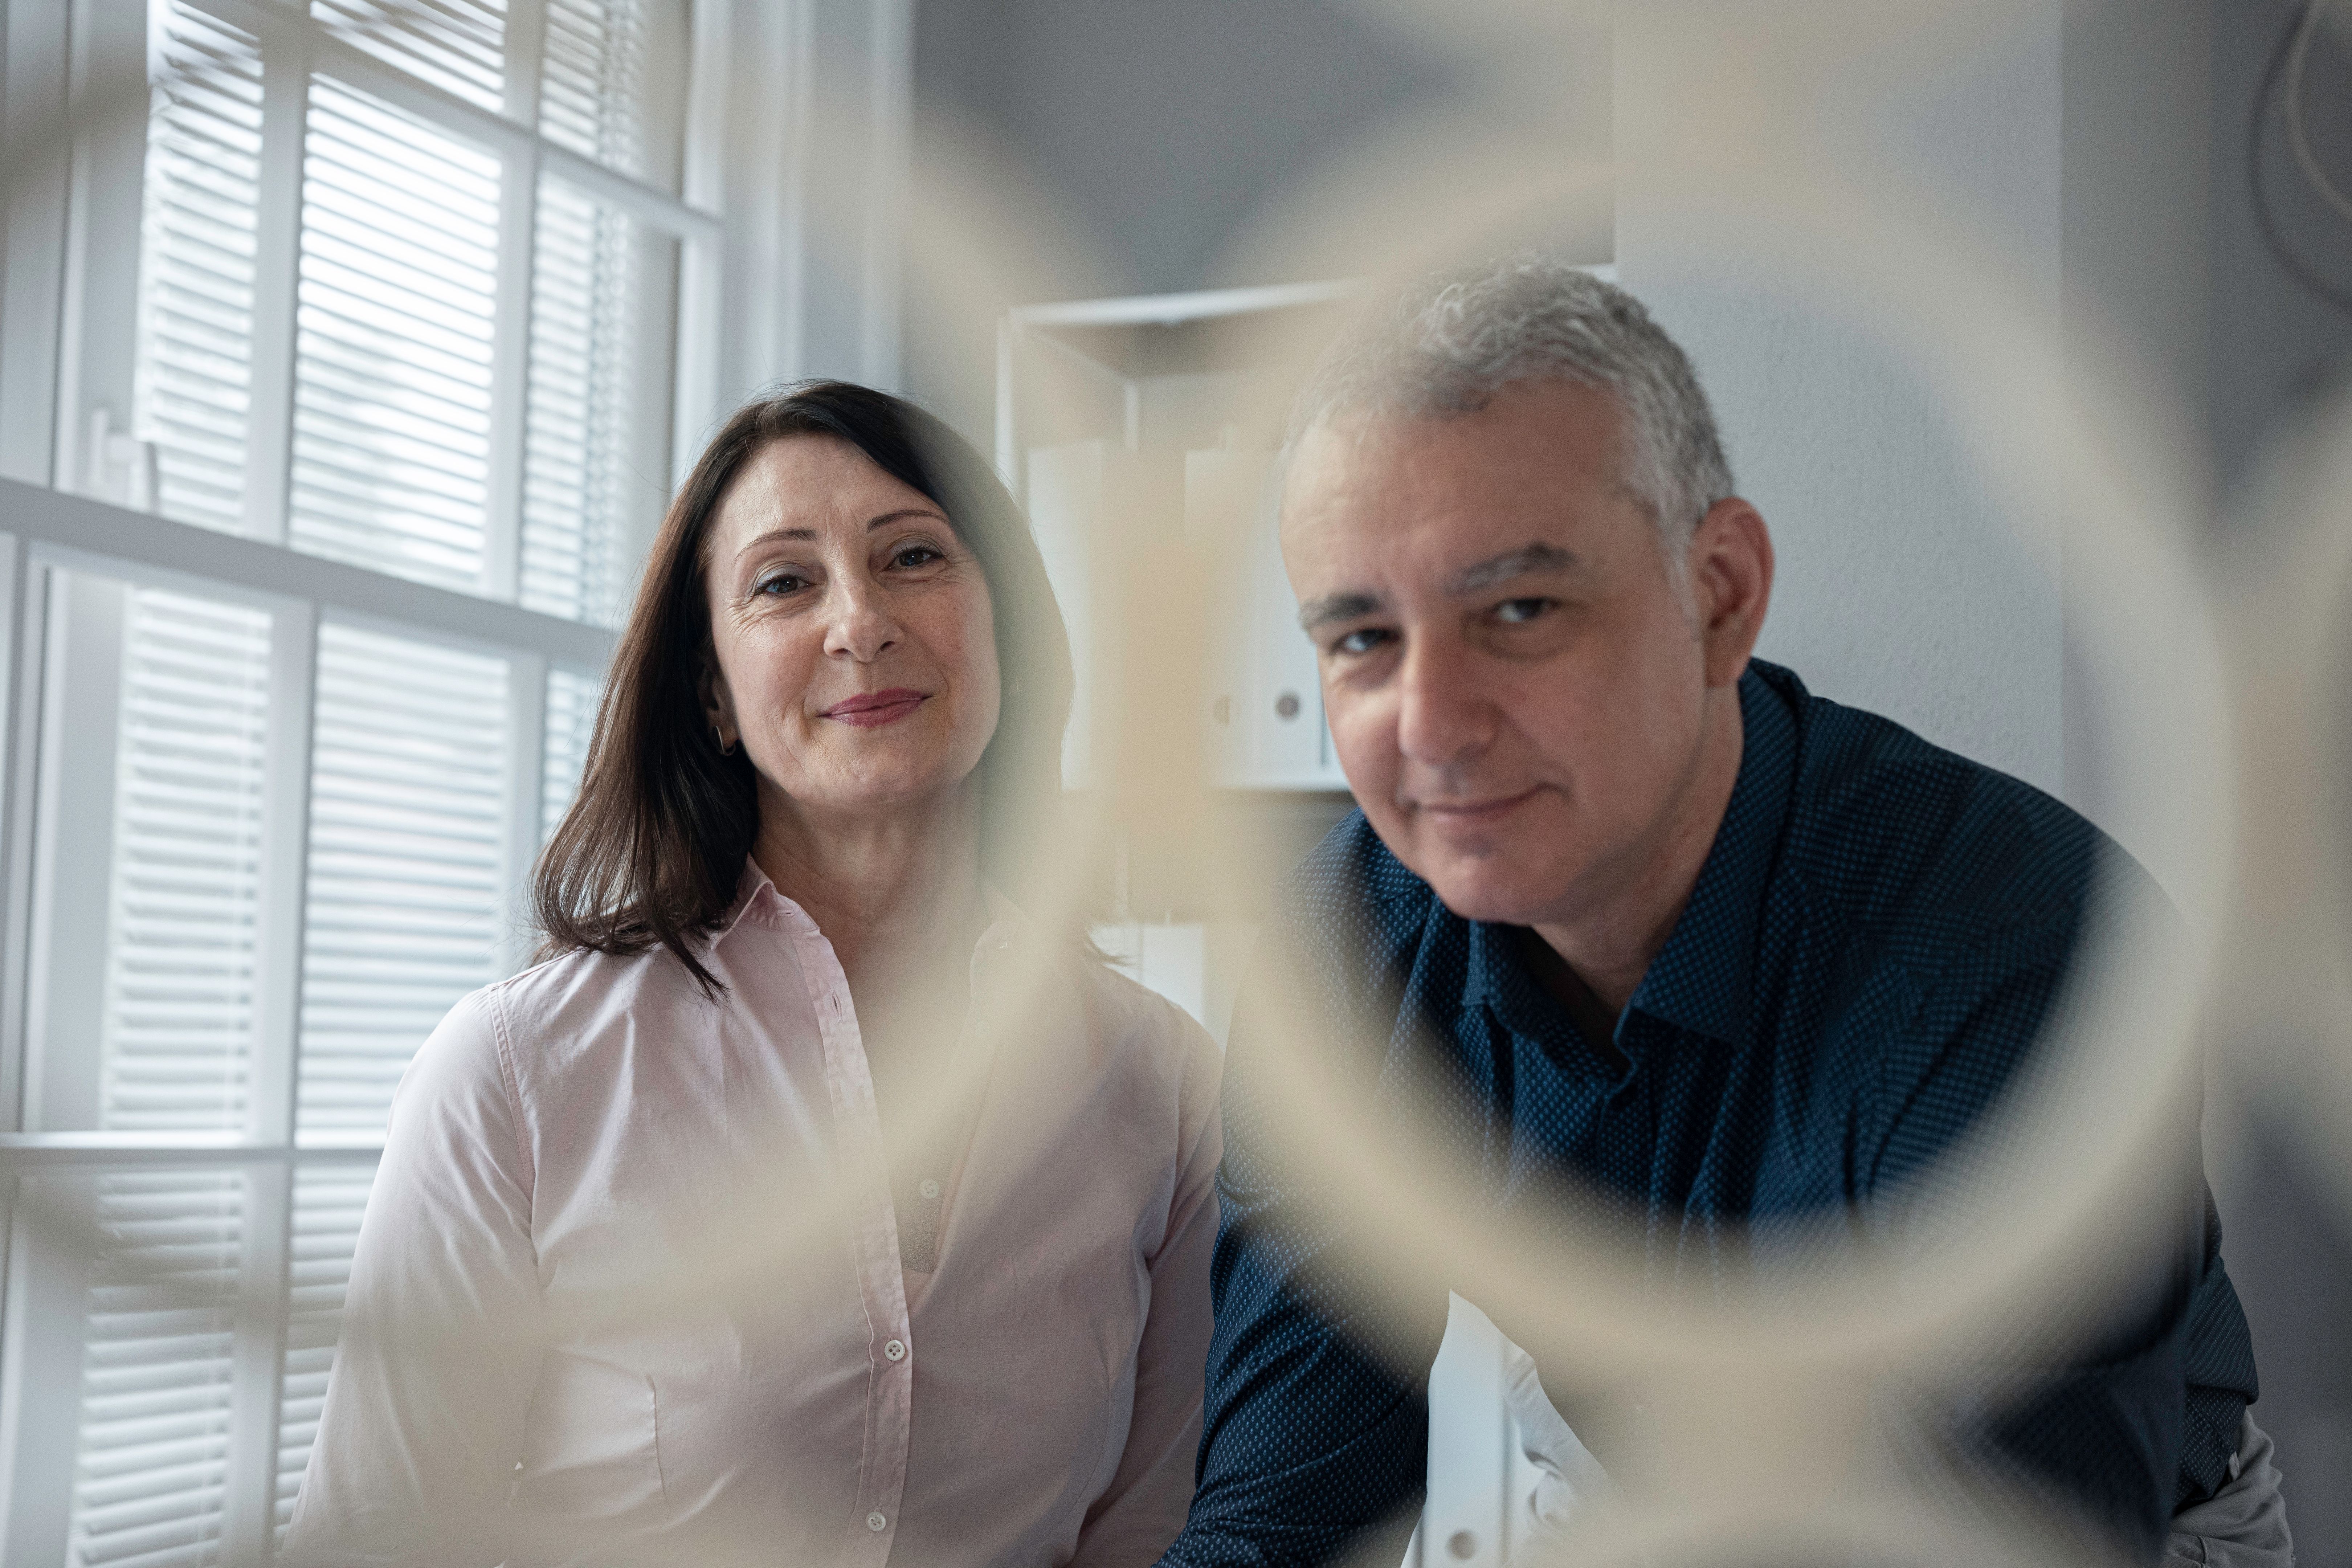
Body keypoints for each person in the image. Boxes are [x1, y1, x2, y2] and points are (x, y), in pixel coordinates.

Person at [1154, 258, 2282, 1566]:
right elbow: (1286, 1512)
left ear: (1722, 595)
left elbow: (2009, 1533)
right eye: (1361, 639)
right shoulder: (1337, 951)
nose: (1431, 732)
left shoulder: (2014, 947)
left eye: (1520, 610)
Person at [280, 381, 1221, 1568]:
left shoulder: (1161, 1082)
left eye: (915, 556)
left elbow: (1150, 1532)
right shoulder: (516, 1074)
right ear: (715, 696)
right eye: (785, 582)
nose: (861, 622)